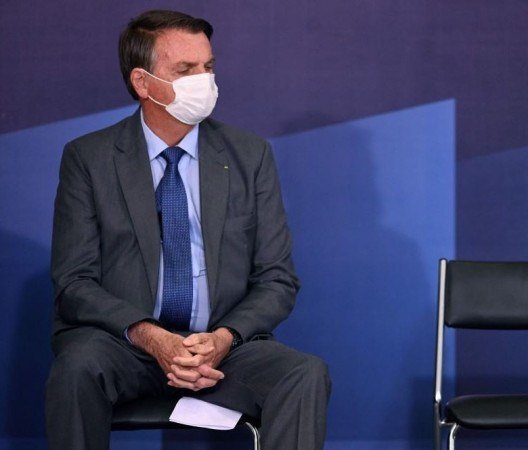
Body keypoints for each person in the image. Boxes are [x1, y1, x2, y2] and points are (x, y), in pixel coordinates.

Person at [45, 9, 330, 450]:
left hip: (222, 350)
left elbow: (277, 279)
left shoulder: (249, 155)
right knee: (77, 367)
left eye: (208, 66)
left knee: (304, 373)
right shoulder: (89, 158)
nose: (205, 81)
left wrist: (223, 338)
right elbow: (74, 282)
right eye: (185, 69)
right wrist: (152, 336)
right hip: (126, 347)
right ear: (142, 83)